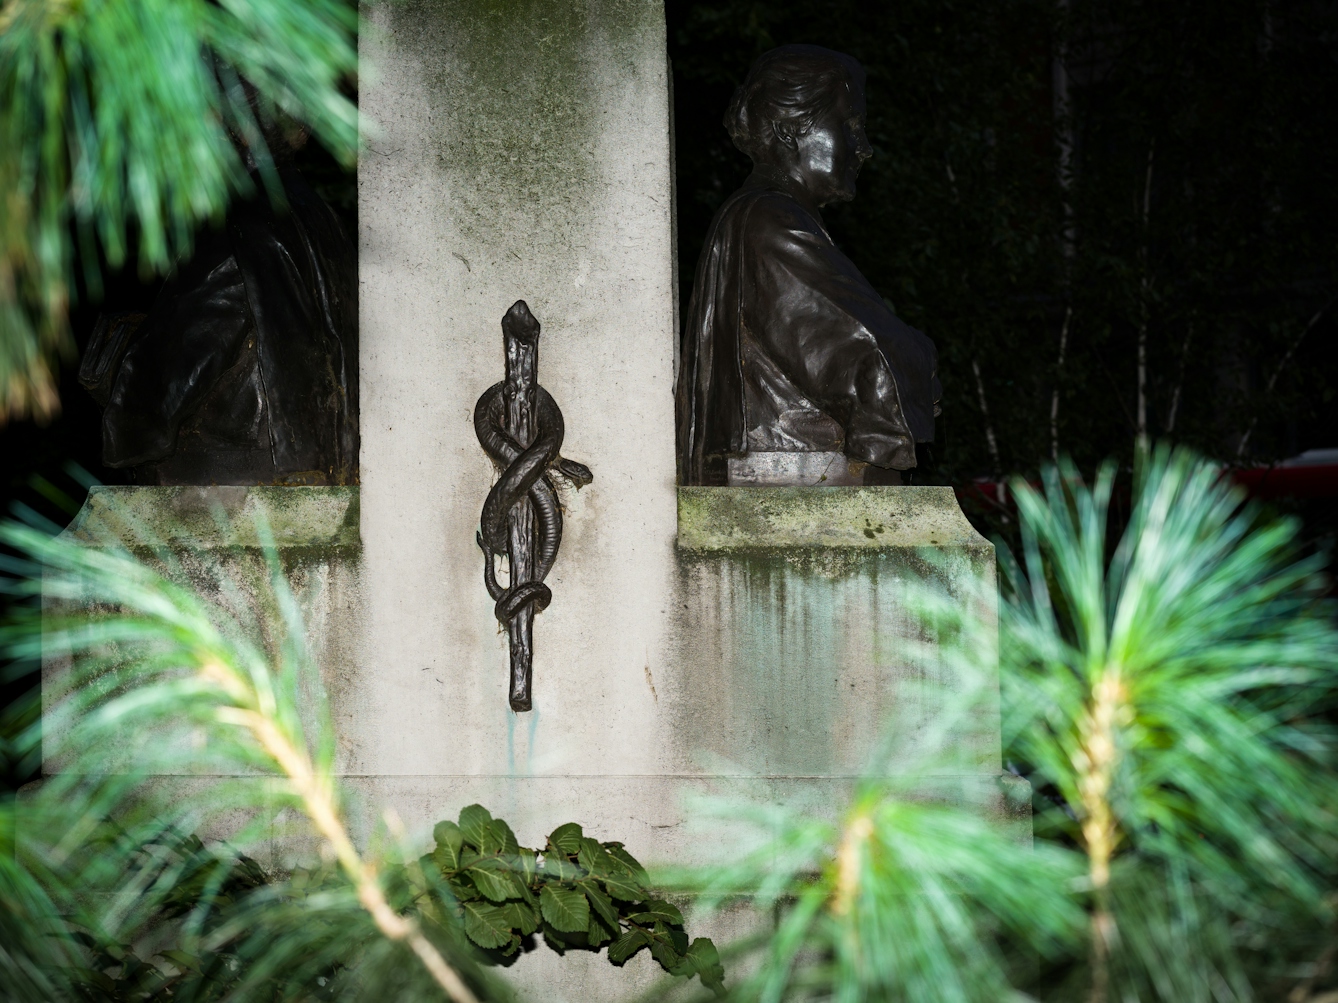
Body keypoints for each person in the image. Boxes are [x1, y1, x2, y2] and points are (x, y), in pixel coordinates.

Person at [676, 45, 940, 486]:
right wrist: (922, 354)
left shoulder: (764, 217)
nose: (864, 148)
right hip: (792, 478)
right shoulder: (771, 222)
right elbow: (867, 354)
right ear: (788, 131)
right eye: (850, 125)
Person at [81, 119, 358, 486]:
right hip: (316, 472)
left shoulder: (235, 225)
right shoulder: (323, 218)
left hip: (233, 484)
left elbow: (159, 395)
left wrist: (115, 366)